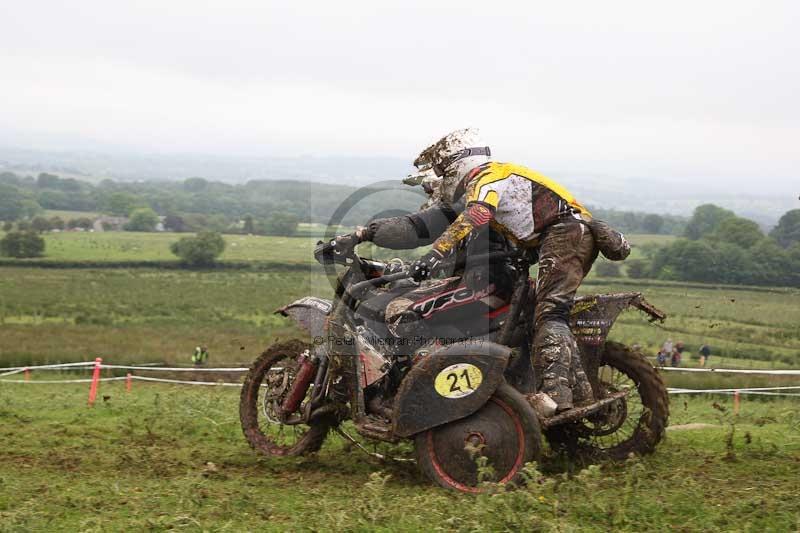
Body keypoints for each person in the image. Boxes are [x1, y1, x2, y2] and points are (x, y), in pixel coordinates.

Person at [402, 128, 629, 411]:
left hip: (565, 233)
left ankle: (555, 397)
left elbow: (479, 213)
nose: (441, 174)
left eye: (442, 167)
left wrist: (436, 252)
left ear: (458, 162)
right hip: (561, 234)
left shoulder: (488, 176)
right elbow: (525, 225)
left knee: (551, 312)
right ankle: (579, 392)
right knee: (546, 312)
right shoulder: (494, 176)